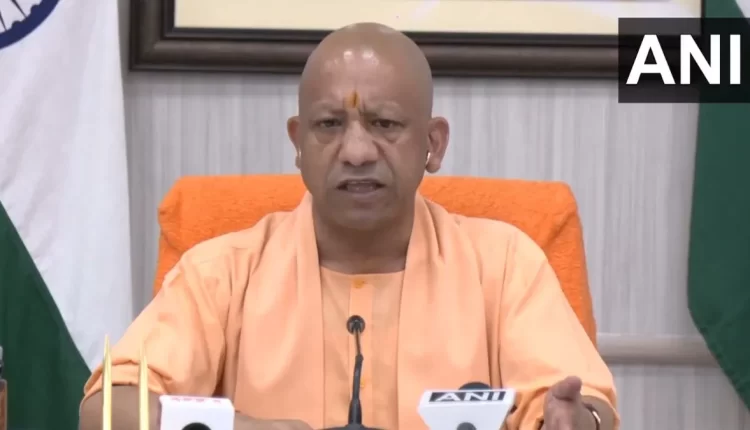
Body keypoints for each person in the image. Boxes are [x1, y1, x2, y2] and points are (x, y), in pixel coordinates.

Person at [79, 22, 619, 430]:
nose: (356, 151)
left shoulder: (502, 265)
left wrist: (576, 420)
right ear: (298, 143)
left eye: (384, 123)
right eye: (329, 125)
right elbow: (108, 409)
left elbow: (581, 404)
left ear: (433, 144)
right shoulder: (222, 273)